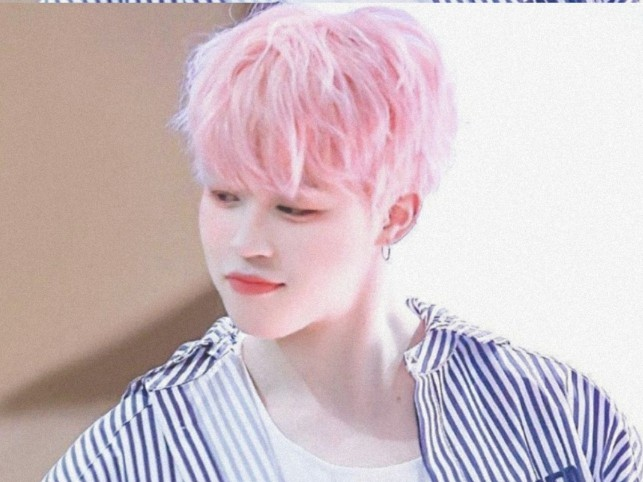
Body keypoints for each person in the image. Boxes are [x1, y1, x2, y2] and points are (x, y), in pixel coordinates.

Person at [43, 4, 641, 482]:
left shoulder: (554, 418)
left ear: (395, 216)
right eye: (225, 196)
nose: (246, 243)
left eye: (294, 208)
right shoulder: (134, 454)